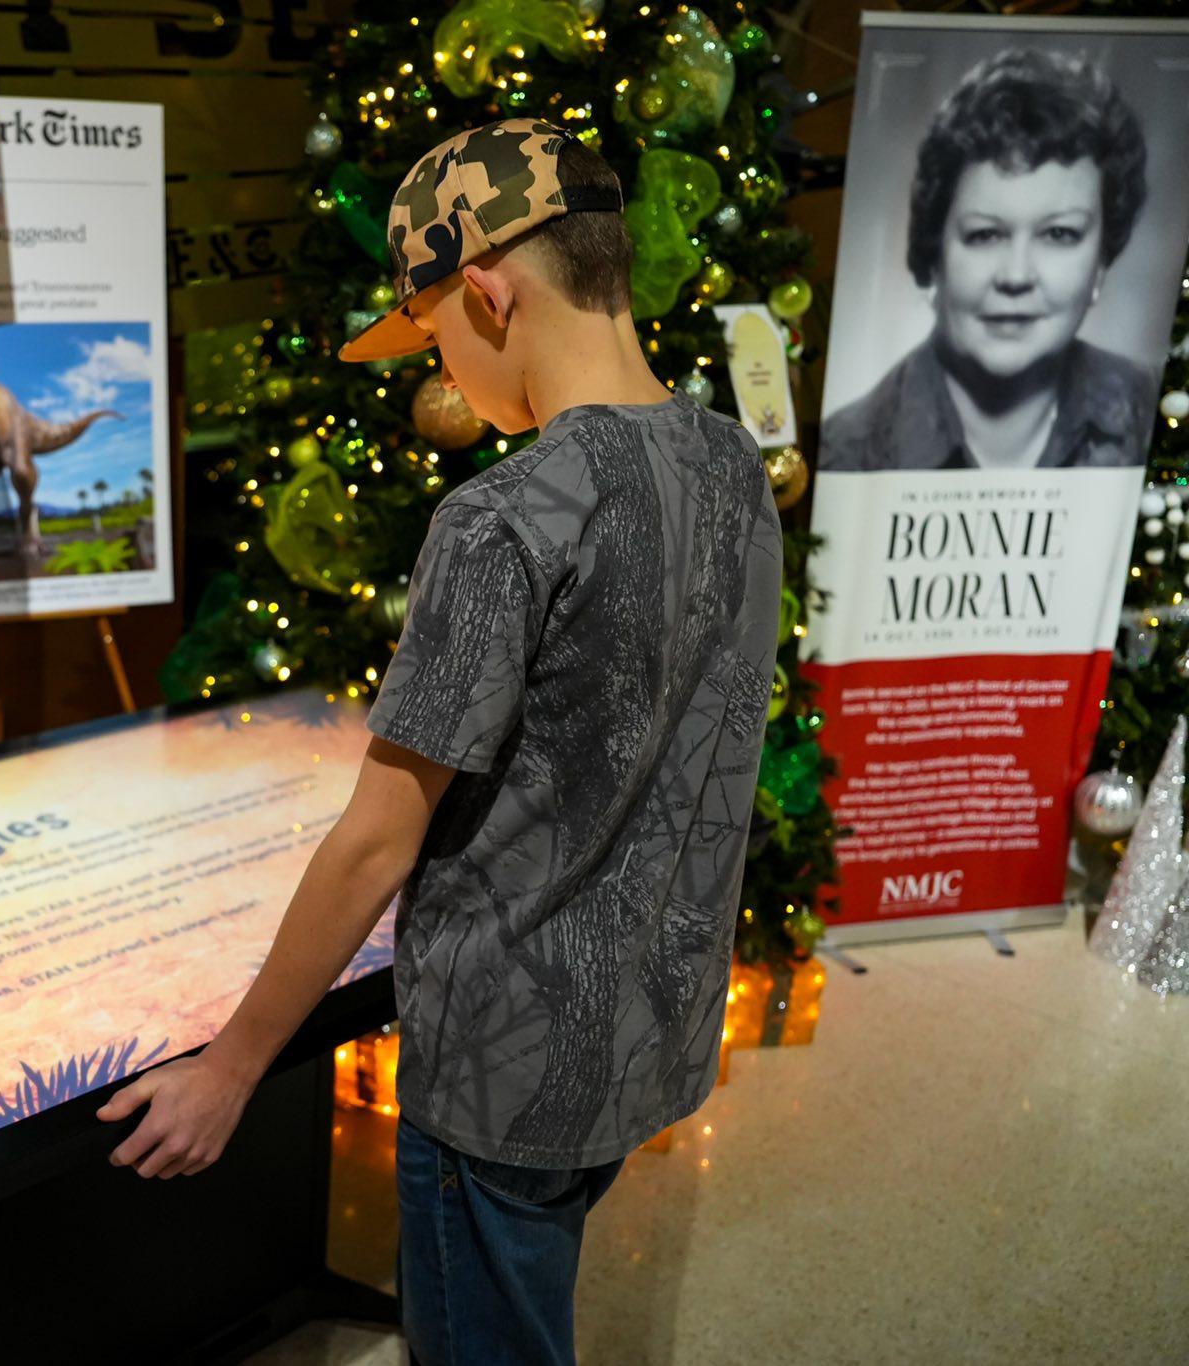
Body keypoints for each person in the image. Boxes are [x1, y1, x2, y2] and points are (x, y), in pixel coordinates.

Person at [96, 120, 782, 1362]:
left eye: (429, 336)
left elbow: (377, 840)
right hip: (645, 1035)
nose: (444, 374)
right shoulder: (734, 461)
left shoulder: (502, 518)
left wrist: (229, 1069)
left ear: (485, 290)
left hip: (500, 1071)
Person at [822, 47, 1154, 471]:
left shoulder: (1155, 415)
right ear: (934, 255)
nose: (1016, 275)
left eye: (1059, 234)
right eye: (985, 235)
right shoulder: (846, 453)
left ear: (1102, 263)